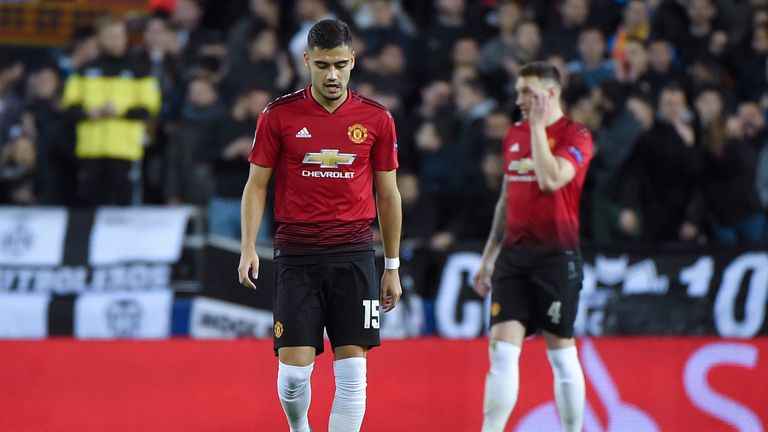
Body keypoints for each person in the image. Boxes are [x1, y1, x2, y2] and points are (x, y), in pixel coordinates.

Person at [237, 19, 402, 432]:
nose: (332, 75)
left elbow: (389, 195)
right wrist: (247, 247)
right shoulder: (278, 116)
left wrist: (393, 266)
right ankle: (299, 428)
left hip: (354, 256)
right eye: (324, 65)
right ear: (306, 60)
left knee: (352, 378)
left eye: (341, 65)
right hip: (297, 255)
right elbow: (256, 186)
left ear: (353, 61)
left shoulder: (376, 119)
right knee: (294, 378)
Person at [473, 61, 593, 432]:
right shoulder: (513, 136)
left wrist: (539, 130)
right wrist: (489, 256)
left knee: (561, 355)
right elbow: (507, 199)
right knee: (502, 352)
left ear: (551, 93)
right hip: (514, 256)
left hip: (557, 256)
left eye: (527, 92)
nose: (519, 99)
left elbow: (550, 179)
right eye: (518, 91)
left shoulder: (577, 135)